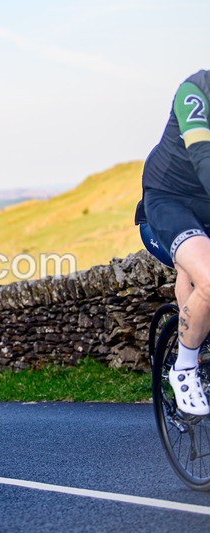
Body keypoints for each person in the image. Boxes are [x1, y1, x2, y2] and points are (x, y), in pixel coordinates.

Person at [137, 69, 210, 415]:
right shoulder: (195, 91)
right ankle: (186, 365)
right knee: (203, 273)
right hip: (167, 204)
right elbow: (204, 159)